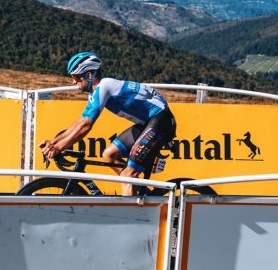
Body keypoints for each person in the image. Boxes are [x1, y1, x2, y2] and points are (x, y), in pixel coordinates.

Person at [39, 52, 176, 196]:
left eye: (76, 77)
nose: (74, 82)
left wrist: (59, 147)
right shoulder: (94, 93)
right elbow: (81, 121)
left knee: (128, 176)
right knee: (109, 154)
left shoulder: (104, 87)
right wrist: (54, 143)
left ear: (89, 75)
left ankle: (133, 213)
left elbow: (86, 125)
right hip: (147, 122)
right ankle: (138, 192)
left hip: (161, 121)